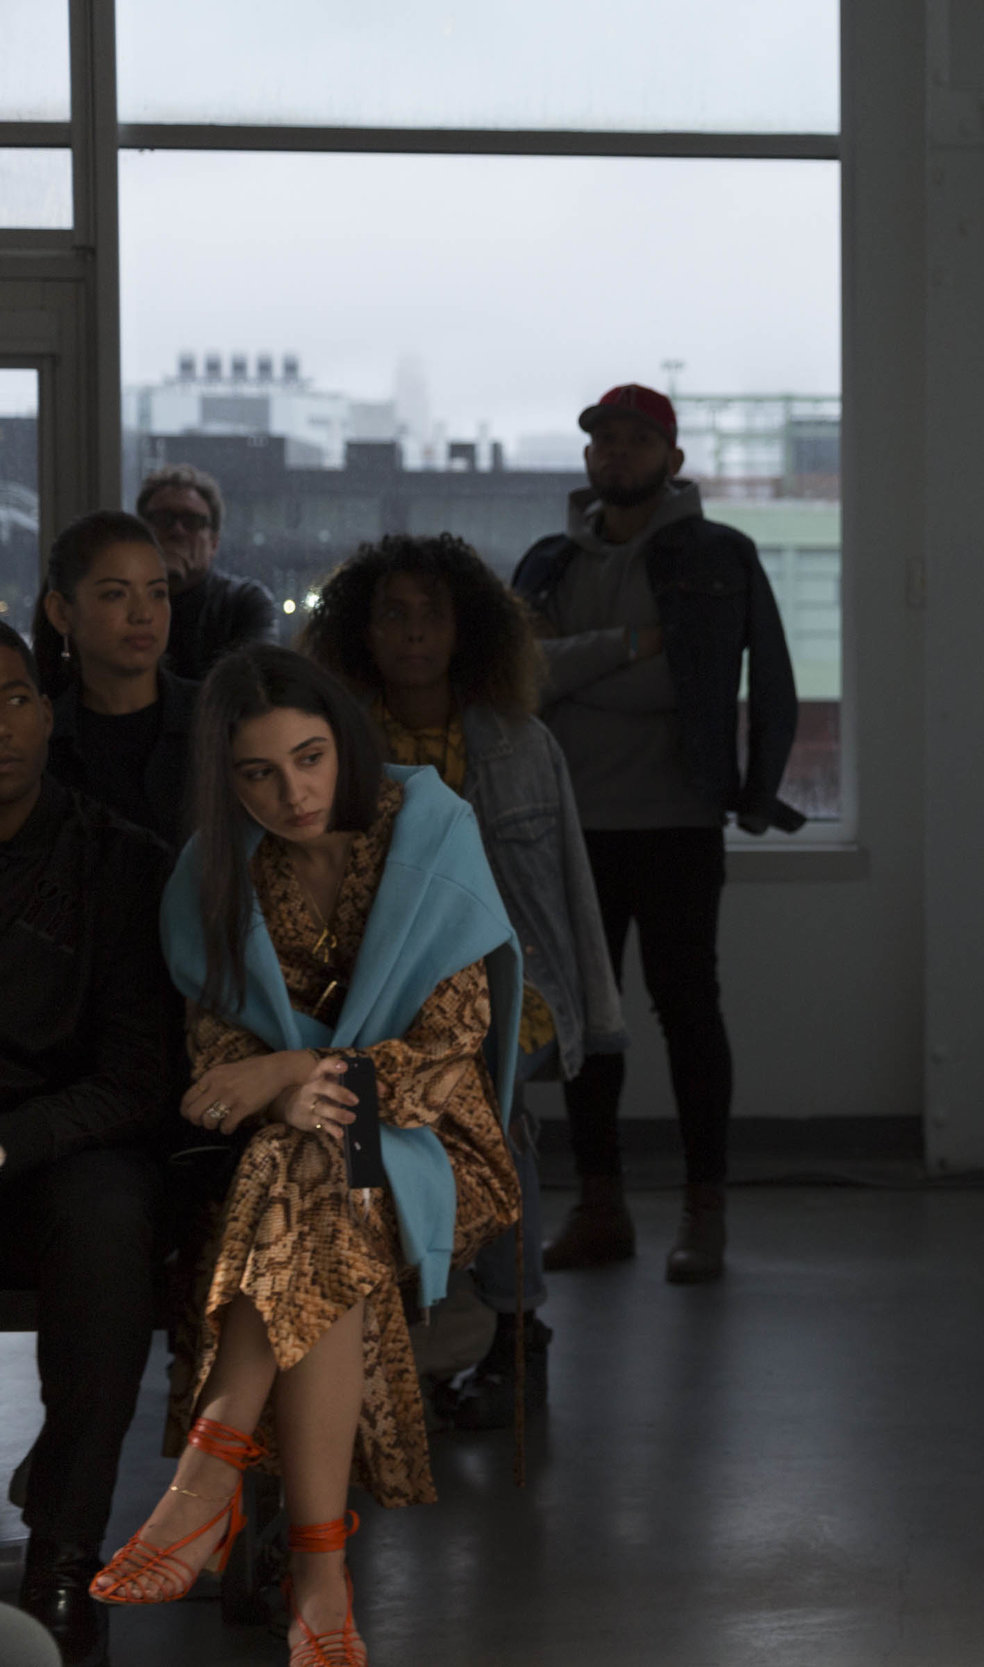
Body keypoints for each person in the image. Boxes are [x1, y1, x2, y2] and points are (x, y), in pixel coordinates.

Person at [92, 647, 522, 1667]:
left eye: (311, 756)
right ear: (226, 779)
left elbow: (443, 1056)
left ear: (345, 743)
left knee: (314, 1156)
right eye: (258, 773)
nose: (292, 791)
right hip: (300, 1159)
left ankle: (207, 1487)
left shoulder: (430, 828)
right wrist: (278, 1084)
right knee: (319, 1175)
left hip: (434, 1138)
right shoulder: (217, 869)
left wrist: (291, 1067)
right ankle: (320, 1579)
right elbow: (215, 1070)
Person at [301, 532, 626, 1429]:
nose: (413, 635)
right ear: (362, 632)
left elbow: (566, 882)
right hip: (376, 995)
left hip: (499, 993)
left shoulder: (520, 744)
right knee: (367, 1153)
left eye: (432, 615)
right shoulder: (333, 745)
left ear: (465, 629)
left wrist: (593, 1013)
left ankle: (518, 1340)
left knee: (494, 1144)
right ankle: (389, 1344)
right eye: (393, 615)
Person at [510, 382, 801, 1285]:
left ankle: (701, 1212)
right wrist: (631, 646)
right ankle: (601, 1209)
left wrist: (755, 789)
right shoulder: (547, 564)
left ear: (672, 459)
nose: (617, 455)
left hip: (677, 820)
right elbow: (524, 680)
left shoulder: (719, 556)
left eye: (637, 441)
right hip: (572, 826)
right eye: (603, 441)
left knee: (686, 1013)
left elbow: (720, 684)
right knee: (588, 1025)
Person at [0, 620, 183, 1667]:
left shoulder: (117, 859)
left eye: (19, 697)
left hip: (65, 1151)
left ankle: (63, 1562)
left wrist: (10, 1144)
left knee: (112, 1215)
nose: (2, 725)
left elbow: (137, 1079)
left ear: (45, 709)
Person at [36, 509, 198, 844]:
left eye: (157, 592)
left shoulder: (214, 718)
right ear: (61, 612)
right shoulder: (43, 742)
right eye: (116, 594)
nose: (143, 614)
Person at [134, 462, 279, 681]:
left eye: (192, 521)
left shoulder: (244, 602)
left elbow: (253, 689)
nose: (177, 531)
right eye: (163, 519)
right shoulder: (117, 600)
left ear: (214, 542)